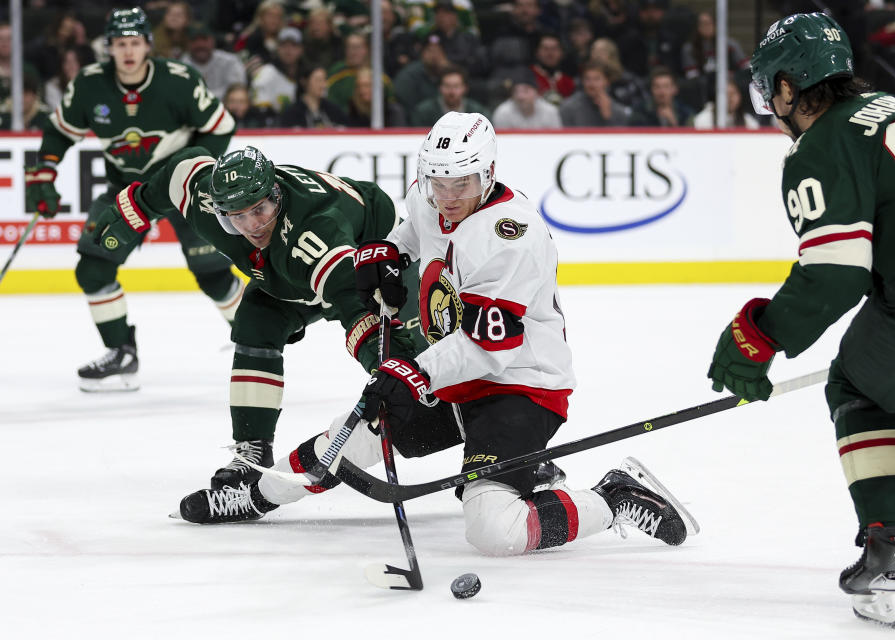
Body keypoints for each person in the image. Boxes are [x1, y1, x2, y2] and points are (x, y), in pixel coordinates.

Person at [172, 112, 690, 559]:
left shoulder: (511, 237)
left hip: (519, 387)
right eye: (437, 182)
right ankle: (259, 492)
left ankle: (614, 495)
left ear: (488, 173)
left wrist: (413, 371)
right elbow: (409, 232)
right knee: (350, 436)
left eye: (460, 184)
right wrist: (387, 254)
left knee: (492, 530)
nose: (446, 197)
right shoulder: (432, 195)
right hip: (452, 378)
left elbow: (490, 346)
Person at [707, 12, 895, 627]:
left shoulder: (820, 145)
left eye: (772, 89)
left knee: (858, 389)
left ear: (791, 88)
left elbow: (838, 272)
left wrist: (757, 336)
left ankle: (883, 542)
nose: (771, 104)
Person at [94, 143, 436, 492]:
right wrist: (132, 211)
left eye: (259, 209)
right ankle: (252, 453)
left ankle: (482, 444)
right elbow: (181, 169)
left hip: (373, 257)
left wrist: (386, 361)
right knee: (256, 322)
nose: (251, 225)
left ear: (276, 194)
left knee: (424, 365)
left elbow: (354, 305)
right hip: (291, 271)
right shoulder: (209, 202)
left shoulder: (313, 232)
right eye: (236, 217)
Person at [23, 7, 239, 393]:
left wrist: (189, 167)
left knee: (214, 276)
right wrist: (43, 173)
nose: (127, 51)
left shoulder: (179, 80)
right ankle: (121, 352)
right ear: (108, 47)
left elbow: (221, 127)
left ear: (148, 46)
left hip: (183, 189)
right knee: (92, 270)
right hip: (127, 192)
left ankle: (255, 337)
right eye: (120, 44)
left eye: (134, 43)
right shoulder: (89, 84)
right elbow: (59, 131)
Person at [180, 22, 247, 101]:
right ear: (188, 43)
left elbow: (237, 90)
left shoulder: (230, 61)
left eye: (204, 39)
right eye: (195, 40)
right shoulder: (180, 65)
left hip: (226, 110)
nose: (200, 44)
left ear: (213, 41)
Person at [409, 65, 487, 127]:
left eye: (456, 86)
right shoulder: (423, 112)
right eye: (447, 86)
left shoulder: (478, 112)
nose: (451, 91)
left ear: (465, 88)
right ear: (440, 88)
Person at [559, 61, 630, 127]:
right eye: (587, 79)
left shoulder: (619, 111)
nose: (591, 84)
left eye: (596, 79)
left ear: (607, 81)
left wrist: (608, 117)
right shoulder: (568, 107)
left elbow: (621, 138)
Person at [492, 67, 562, 129]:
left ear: (537, 93)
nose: (520, 96)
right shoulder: (503, 113)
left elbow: (556, 139)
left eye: (526, 91)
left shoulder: (550, 112)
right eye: (515, 91)